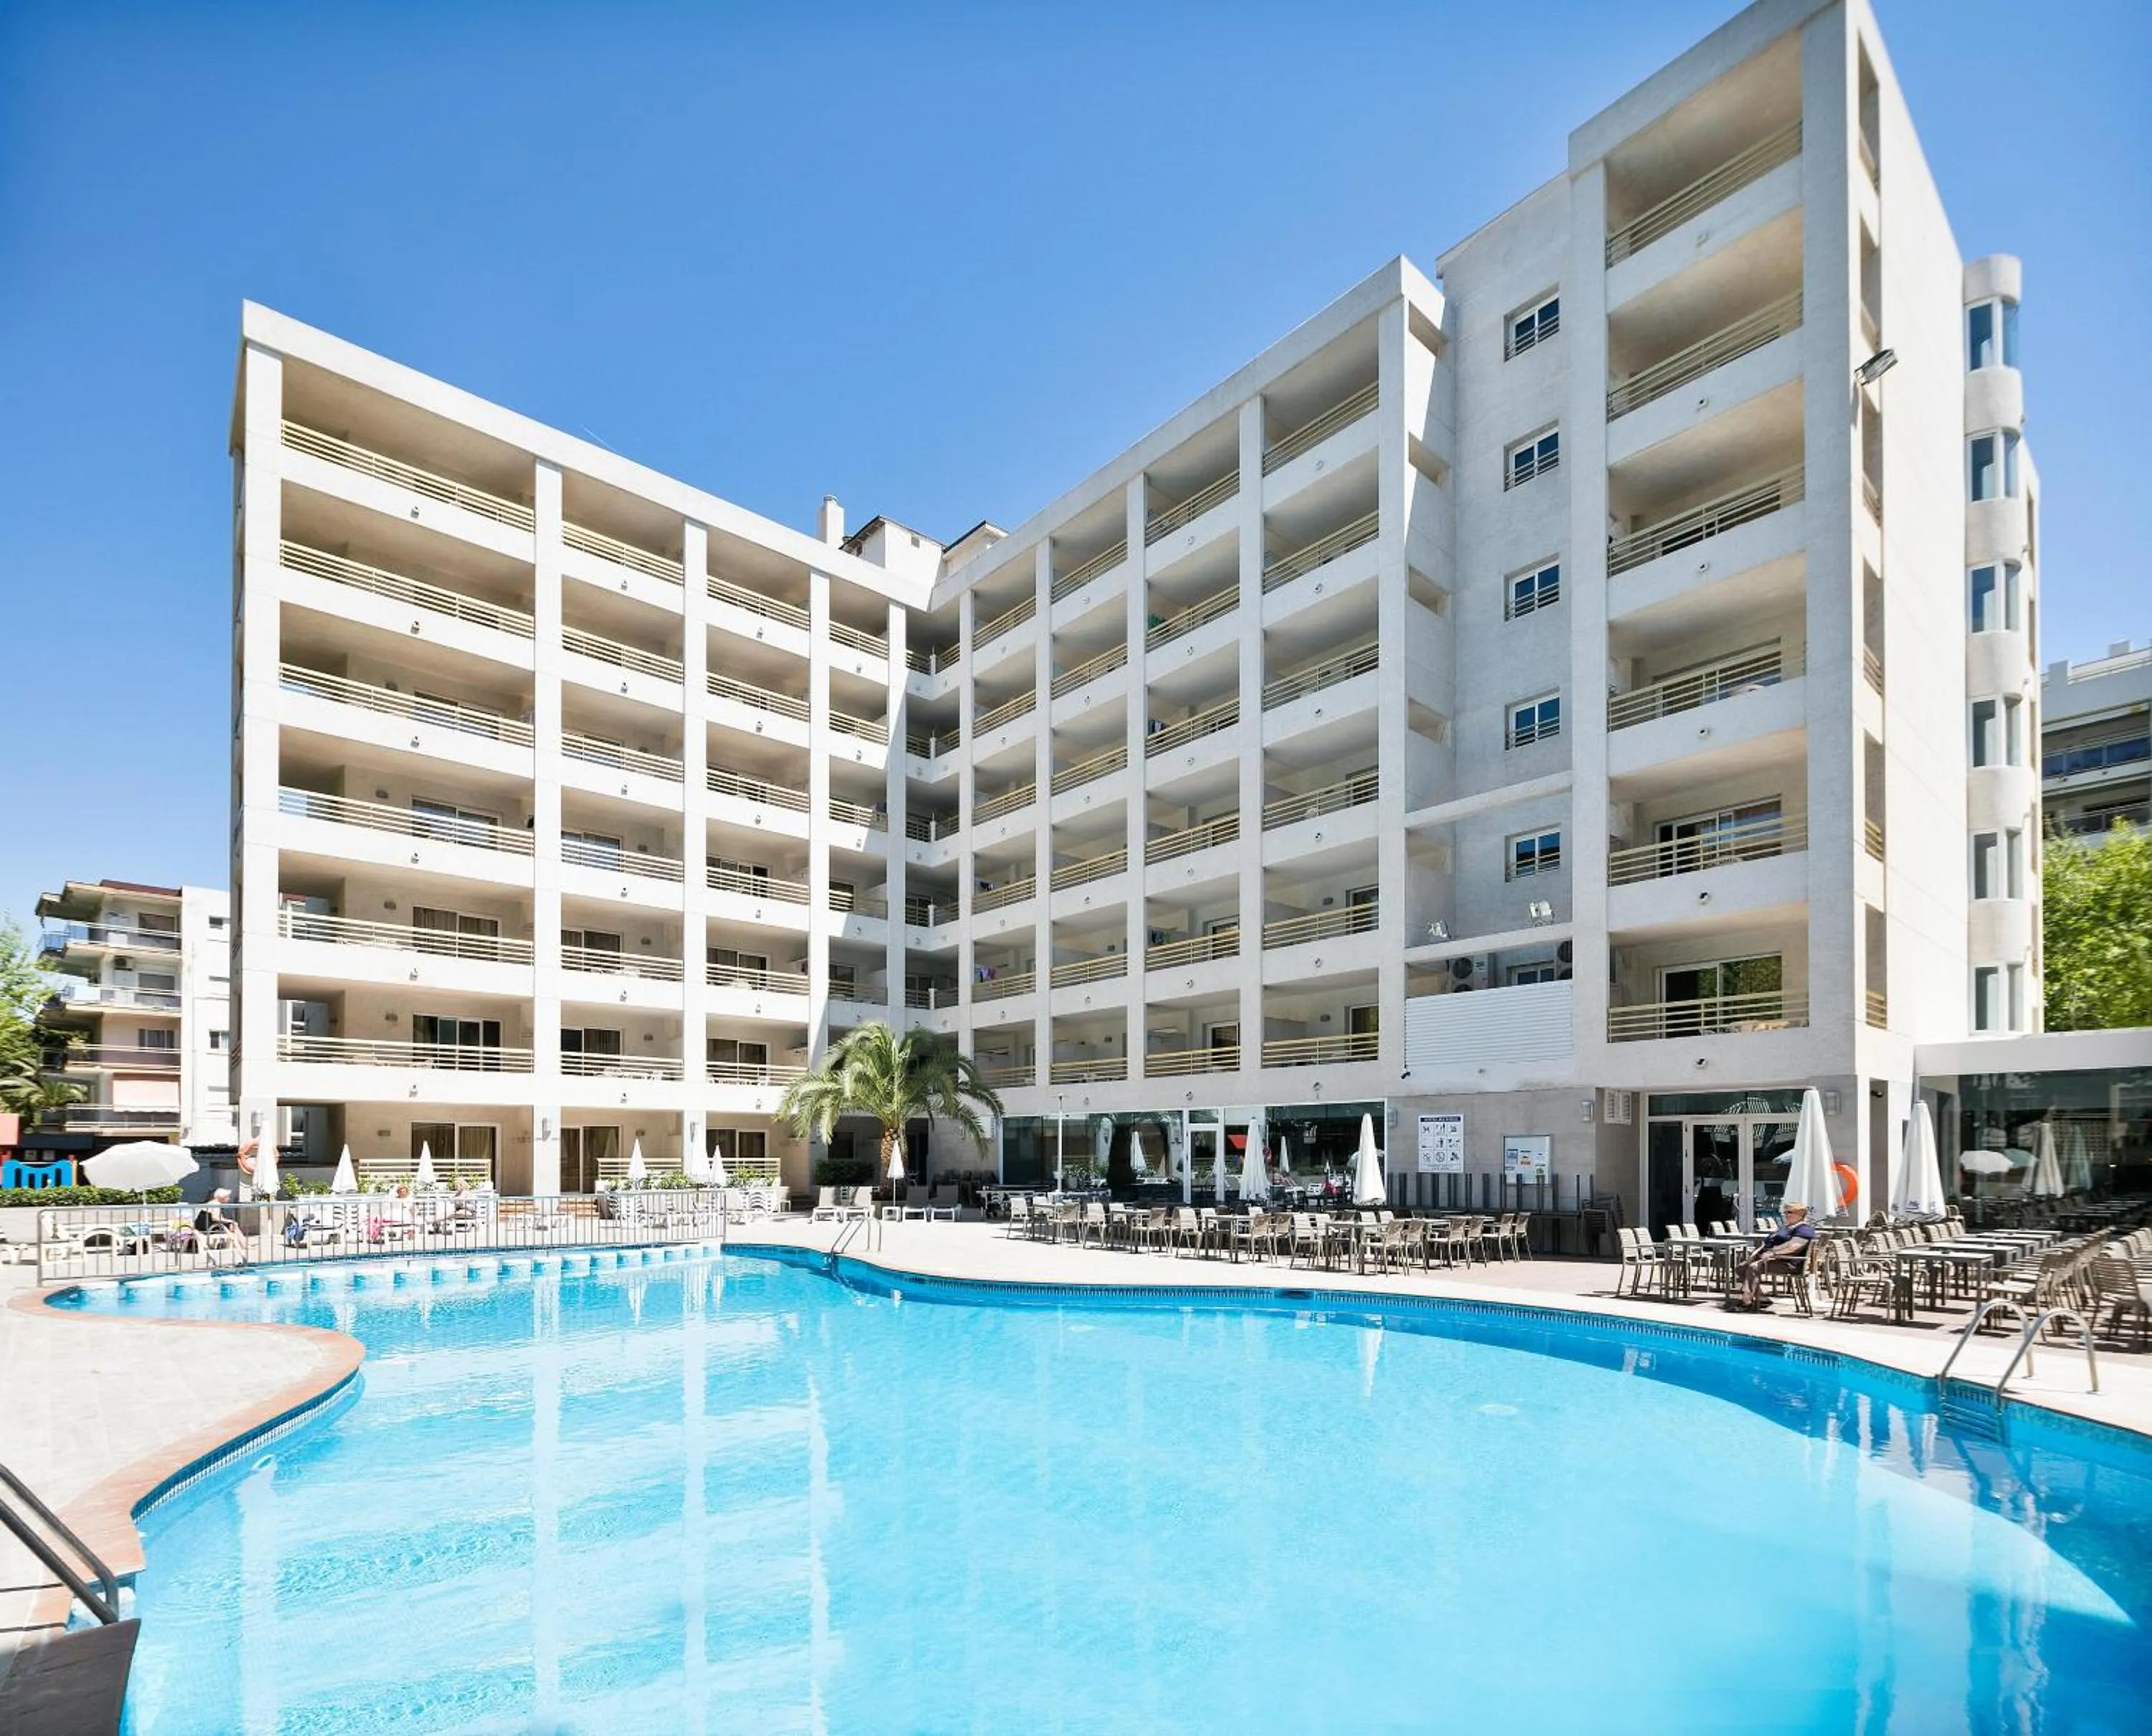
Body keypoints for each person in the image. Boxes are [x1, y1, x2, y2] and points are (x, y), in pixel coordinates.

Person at [1729, 1202, 1815, 1311]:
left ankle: (1746, 1301)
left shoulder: (1803, 1229)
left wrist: (1774, 1253)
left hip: (1788, 1263)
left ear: (1800, 1214)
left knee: (1754, 1267)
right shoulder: (1786, 1227)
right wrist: (1755, 1254)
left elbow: (1794, 1247)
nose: (1786, 1215)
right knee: (1741, 1268)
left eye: (1790, 1212)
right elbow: (1766, 1244)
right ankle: (1762, 1299)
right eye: (1785, 1212)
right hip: (1773, 1259)